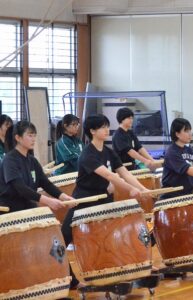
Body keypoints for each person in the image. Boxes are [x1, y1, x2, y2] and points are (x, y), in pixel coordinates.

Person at [60, 114, 153, 288]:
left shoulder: (108, 151)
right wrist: (130, 189)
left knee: (109, 238)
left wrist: (143, 189)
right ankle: (70, 278)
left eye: (106, 126)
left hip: (104, 200)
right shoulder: (88, 154)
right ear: (92, 131)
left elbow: (124, 172)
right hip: (84, 201)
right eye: (102, 127)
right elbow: (109, 175)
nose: (106, 130)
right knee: (63, 238)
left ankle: (122, 270)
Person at [0, 121, 74, 213]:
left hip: (28, 205)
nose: (33, 139)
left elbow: (45, 183)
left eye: (34, 135)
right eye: (30, 135)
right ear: (18, 138)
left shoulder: (32, 161)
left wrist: (64, 197)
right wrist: (48, 201)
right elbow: (20, 188)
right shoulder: (9, 160)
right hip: (10, 209)